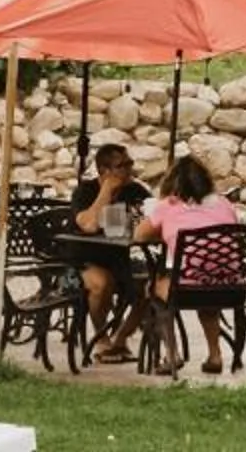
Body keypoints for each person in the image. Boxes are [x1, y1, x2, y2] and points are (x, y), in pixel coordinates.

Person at [133, 154, 242, 374]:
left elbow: (139, 236)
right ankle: (215, 355)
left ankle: (172, 355)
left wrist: (164, 231)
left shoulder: (168, 205)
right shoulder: (224, 204)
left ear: (173, 182)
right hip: (230, 287)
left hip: (184, 289)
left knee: (153, 288)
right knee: (207, 297)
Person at [69, 140, 152, 361]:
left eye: (130, 163)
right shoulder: (85, 191)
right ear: (105, 170)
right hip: (84, 258)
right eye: (123, 165)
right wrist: (106, 189)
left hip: (121, 257)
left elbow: (153, 217)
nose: (130, 169)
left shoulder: (135, 190)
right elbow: (88, 225)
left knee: (150, 286)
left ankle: (120, 339)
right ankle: (102, 338)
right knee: (101, 284)